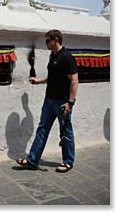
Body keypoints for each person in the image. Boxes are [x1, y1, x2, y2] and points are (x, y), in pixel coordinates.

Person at [16, 29, 78, 173]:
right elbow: (53, 78)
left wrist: (70, 102)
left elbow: (74, 80)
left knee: (65, 131)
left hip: (62, 101)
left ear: (56, 39)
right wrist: (39, 82)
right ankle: (32, 160)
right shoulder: (53, 56)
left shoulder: (67, 57)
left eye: (48, 41)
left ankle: (68, 162)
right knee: (42, 129)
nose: (46, 44)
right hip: (49, 100)